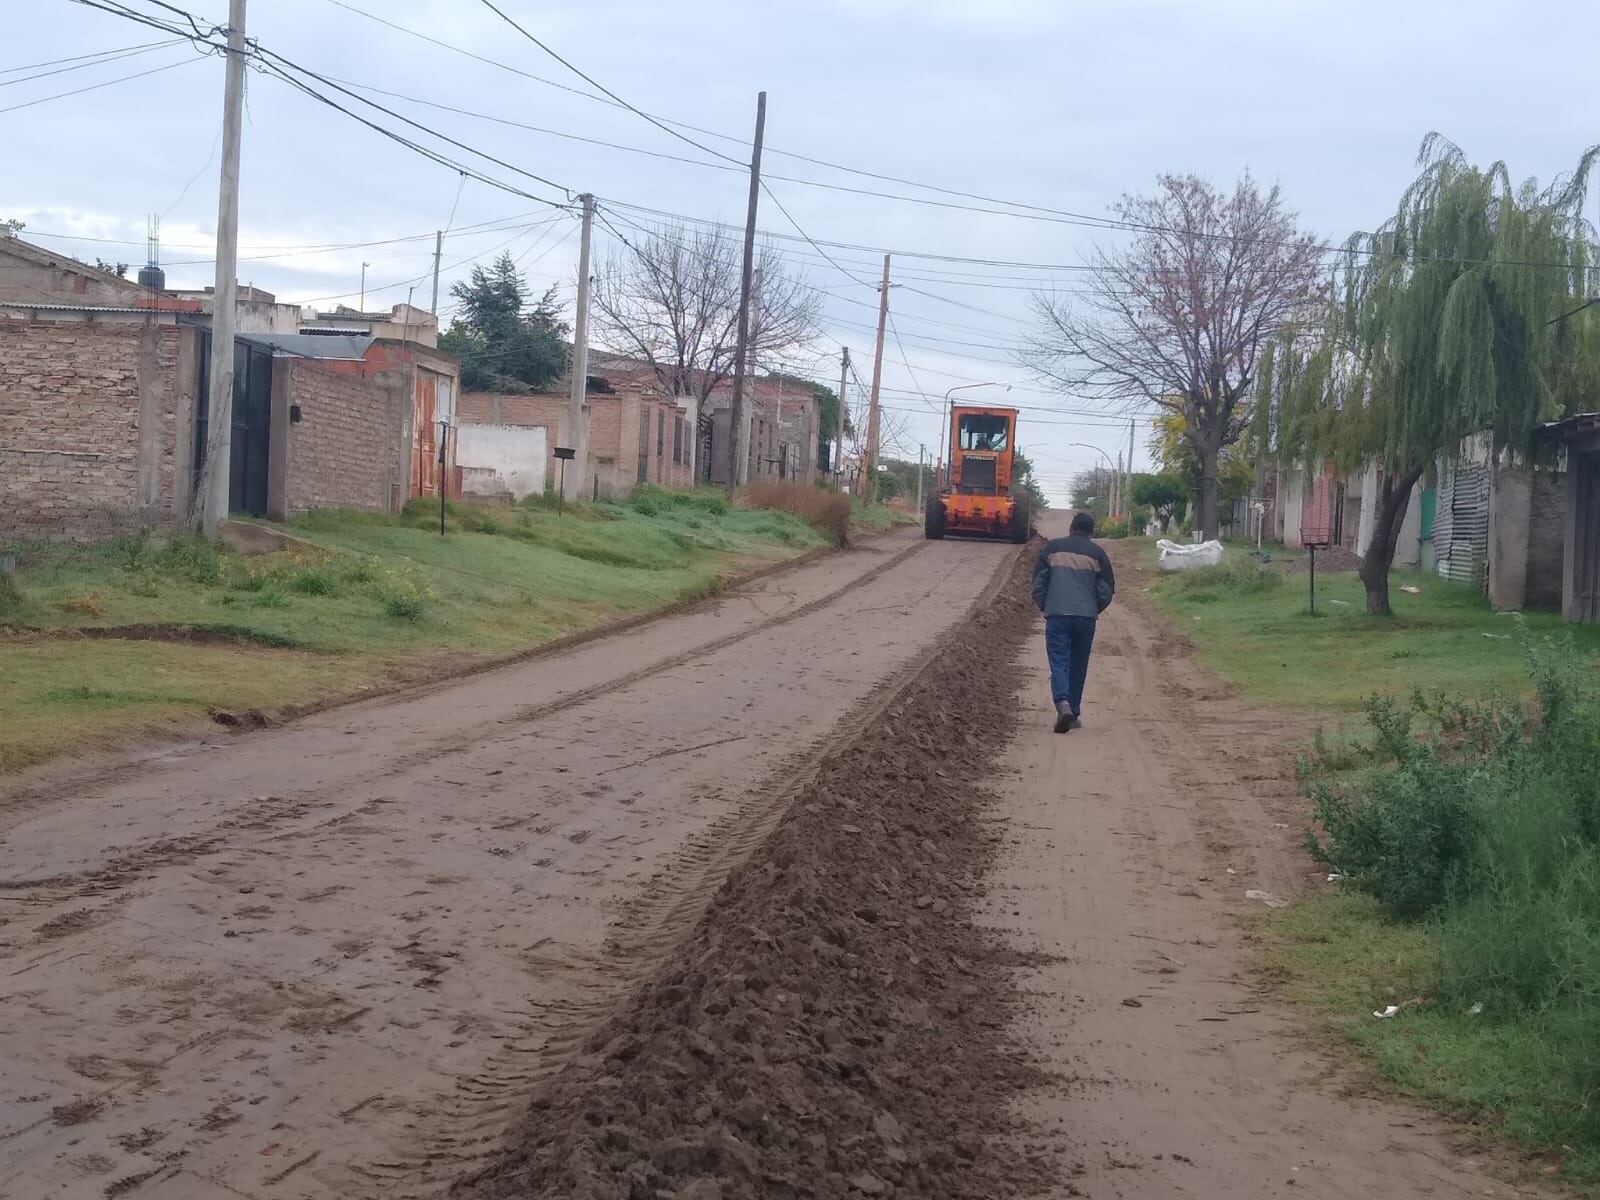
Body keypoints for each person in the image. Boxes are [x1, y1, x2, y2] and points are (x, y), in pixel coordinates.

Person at [1030, 511, 1115, 733]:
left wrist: (1045, 605)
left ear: (1071, 528)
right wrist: (1094, 608)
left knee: (1059, 661)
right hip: (1086, 618)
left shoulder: (1052, 549)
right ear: (1091, 532)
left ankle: (1063, 703)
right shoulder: (1098, 554)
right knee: (1079, 664)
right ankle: (1073, 712)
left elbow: (1038, 584)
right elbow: (1106, 590)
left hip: (1057, 614)